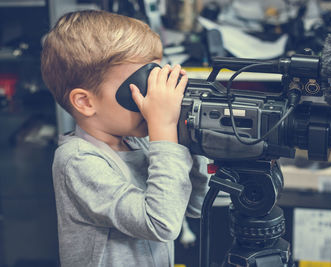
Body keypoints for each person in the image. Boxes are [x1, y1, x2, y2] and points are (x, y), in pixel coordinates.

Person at [41, 9, 209, 267]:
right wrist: (164, 129)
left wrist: (188, 137)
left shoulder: (137, 142)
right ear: (85, 102)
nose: (150, 99)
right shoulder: (77, 160)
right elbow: (161, 224)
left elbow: (197, 206)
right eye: (139, 87)